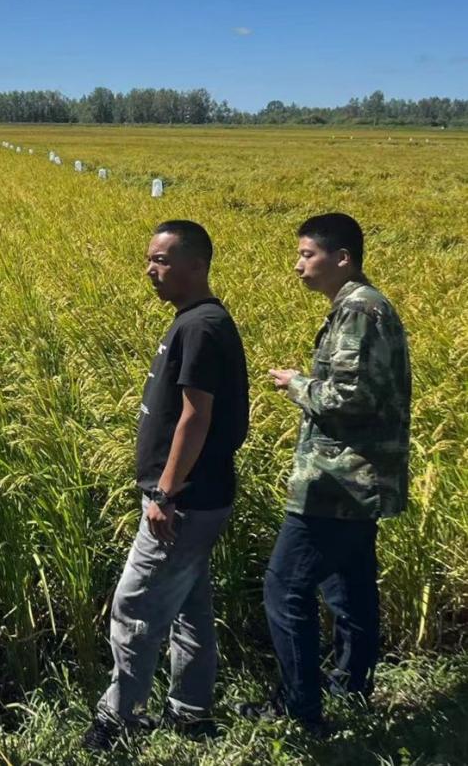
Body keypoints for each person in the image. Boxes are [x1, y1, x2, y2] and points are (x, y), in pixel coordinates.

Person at [238, 213, 411, 734]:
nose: (298, 265)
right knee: (348, 587)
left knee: (284, 587)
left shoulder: (358, 309)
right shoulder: (365, 305)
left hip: (339, 481)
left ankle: (301, 707)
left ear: (342, 258)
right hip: (360, 478)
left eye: (307, 254)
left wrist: (296, 384)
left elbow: (350, 397)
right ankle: (351, 688)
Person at [83, 220, 250, 751]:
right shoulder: (195, 321)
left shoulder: (200, 327)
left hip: (184, 500)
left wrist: (165, 492)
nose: (149, 270)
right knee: (189, 606)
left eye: (160, 260)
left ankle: (116, 720)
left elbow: (195, 417)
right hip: (195, 496)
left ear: (196, 265)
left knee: (134, 605)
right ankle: (191, 711)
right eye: (149, 259)